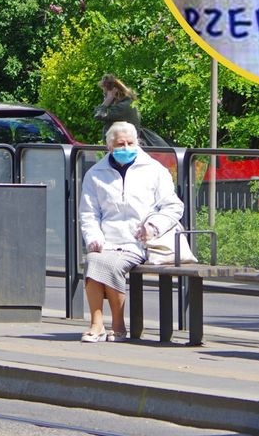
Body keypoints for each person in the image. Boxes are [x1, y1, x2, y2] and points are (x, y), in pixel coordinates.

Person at [78, 121, 192, 342]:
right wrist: (94, 238)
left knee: (110, 264)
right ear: (109, 146)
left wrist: (153, 226)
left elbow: (173, 206)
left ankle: (118, 325)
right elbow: (89, 213)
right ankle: (97, 323)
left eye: (130, 143)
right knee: (93, 261)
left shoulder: (154, 170)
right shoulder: (95, 174)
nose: (126, 147)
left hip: (138, 242)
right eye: (120, 144)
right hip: (106, 240)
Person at [94, 74, 169, 148]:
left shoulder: (123, 107)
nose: (104, 98)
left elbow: (99, 115)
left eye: (105, 94)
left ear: (114, 92)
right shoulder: (128, 103)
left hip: (122, 148)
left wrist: (108, 99)